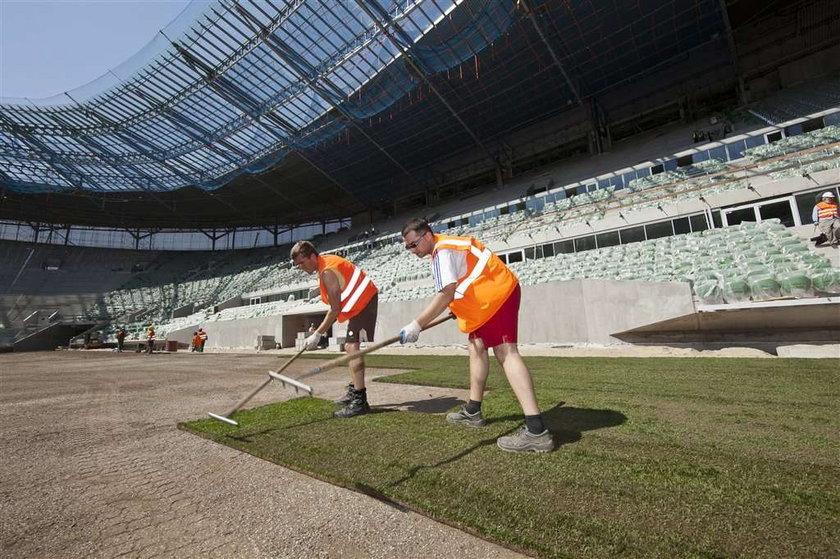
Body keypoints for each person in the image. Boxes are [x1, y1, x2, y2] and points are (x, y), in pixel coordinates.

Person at [399, 218, 554, 453]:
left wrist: (417, 324)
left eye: (413, 245)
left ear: (427, 235)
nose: (412, 251)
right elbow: (464, 280)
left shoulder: (441, 251)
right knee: (476, 346)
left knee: (506, 352)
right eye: (408, 247)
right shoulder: (445, 246)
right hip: (485, 299)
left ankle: (536, 431)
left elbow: (446, 293)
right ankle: (473, 410)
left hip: (495, 297)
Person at [291, 241, 379, 418]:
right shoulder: (324, 264)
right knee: (349, 347)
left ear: (312, 256)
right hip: (360, 303)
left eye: (302, 262)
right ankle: (354, 389)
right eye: (298, 264)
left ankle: (360, 401)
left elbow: (335, 309)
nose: (300, 267)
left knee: (352, 348)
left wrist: (317, 334)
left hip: (364, 302)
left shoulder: (327, 272)